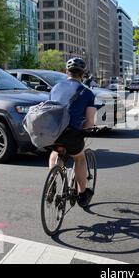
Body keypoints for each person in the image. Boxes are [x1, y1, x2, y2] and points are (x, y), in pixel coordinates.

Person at [49, 57, 97, 208]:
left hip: (53, 132)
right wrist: (87, 127)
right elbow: (89, 122)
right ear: (83, 74)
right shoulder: (87, 93)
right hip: (72, 134)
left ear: (66, 72)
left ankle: (51, 184)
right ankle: (82, 194)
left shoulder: (55, 88)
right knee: (79, 158)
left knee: (55, 154)